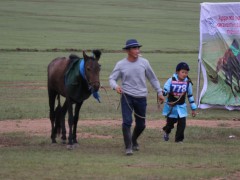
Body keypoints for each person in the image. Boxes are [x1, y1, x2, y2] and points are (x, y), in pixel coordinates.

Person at [109, 39, 165, 155]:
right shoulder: (121, 64)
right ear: (128, 51)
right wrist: (116, 87)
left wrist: (159, 92)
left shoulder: (144, 62)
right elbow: (112, 79)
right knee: (127, 122)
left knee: (141, 124)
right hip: (127, 96)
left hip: (141, 97)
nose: (137, 50)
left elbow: (152, 78)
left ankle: (133, 140)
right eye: (134, 48)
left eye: (138, 48)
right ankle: (128, 147)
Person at [162, 62, 197, 143]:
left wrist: (193, 108)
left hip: (181, 107)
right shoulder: (171, 80)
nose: (184, 74)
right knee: (170, 124)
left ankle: (179, 140)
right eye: (183, 72)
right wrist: (164, 92)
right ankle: (166, 131)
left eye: (186, 72)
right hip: (171, 107)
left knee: (182, 123)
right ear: (177, 72)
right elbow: (166, 88)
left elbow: (190, 95)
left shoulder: (188, 82)